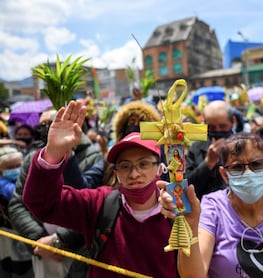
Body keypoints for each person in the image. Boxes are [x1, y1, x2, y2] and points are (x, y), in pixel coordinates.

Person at [22, 101, 176, 278]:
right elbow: (41, 202)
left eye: (143, 164)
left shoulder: (177, 209)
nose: (134, 174)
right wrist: (53, 153)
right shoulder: (99, 203)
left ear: (159, 168)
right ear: (115, 172)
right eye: (125, 166)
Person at [160, 133, 263, 278]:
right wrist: (190, 225)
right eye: (237, 167)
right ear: (224, 174)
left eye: (256, 164)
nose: (248, 173)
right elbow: (193, 275)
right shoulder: (213, 208)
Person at [8, 108, 104, 278]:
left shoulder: (92, 156)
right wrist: (40, 240)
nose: (48, 129)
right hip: (43, 251)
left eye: (51, 123)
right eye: (42, 125)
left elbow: (91, 205)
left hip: (78, 251)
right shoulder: (34, 159)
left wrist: (60, 239)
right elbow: (19, 204)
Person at [186, 100, 236, 199]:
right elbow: (187, 187)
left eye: (222, 126)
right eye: (212, 127)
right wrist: (208, 162)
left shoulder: (244, 145)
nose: (218, 131)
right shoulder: (196, 148)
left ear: (232, 122)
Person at [0, 146, 33, 277]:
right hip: (9, 237)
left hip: (26, 235)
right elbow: (19, 195)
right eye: (10, 167)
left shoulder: (25, 177)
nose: (15, 169)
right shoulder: (2, 184)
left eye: (18, 165)